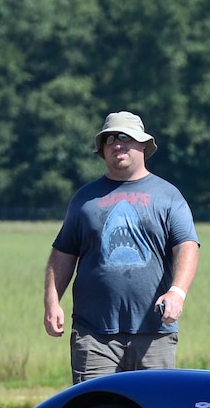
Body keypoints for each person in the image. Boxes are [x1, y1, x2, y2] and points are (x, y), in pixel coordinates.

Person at [43, 111, 200, 381]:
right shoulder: (84, 198)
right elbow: (63, 253)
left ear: (143, 145)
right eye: (109, 139)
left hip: (154, 334)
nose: (117, 144)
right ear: (102, 150)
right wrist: (52, 301)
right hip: (94, 334)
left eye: (125, 137)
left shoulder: (168, 196)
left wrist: (177, 293)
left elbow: (186, 246)